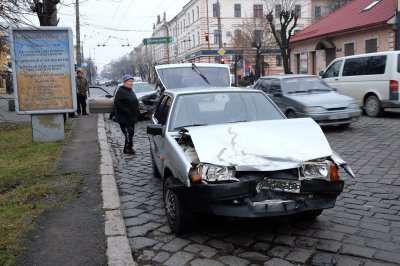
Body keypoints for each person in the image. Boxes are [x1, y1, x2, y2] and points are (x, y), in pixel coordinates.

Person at [114, 74, 139, 155]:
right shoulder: (121, 91)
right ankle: (128, 149)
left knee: (131, 133)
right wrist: (126, 110)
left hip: (131, 117)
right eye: (130, 81)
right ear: (125, 82)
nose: (131, 83)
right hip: (124, 118)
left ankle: (127, 148)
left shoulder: (130, 90)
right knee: (129, 133)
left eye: (132, 81)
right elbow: (117, 103)